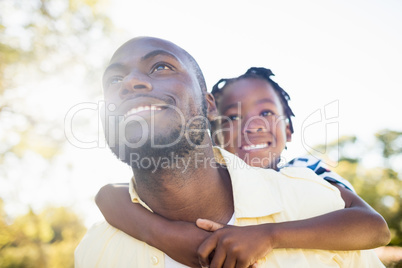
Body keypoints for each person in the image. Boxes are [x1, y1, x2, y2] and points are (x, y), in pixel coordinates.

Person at [74, 36, 389, 268]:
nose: (130, 83)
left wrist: (269, 235)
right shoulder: (98, 250)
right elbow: (110, 195)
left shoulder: (310, 185)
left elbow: (373, 227)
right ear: (217, 126)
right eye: (234, 118)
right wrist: (164, 233)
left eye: (160, 67)